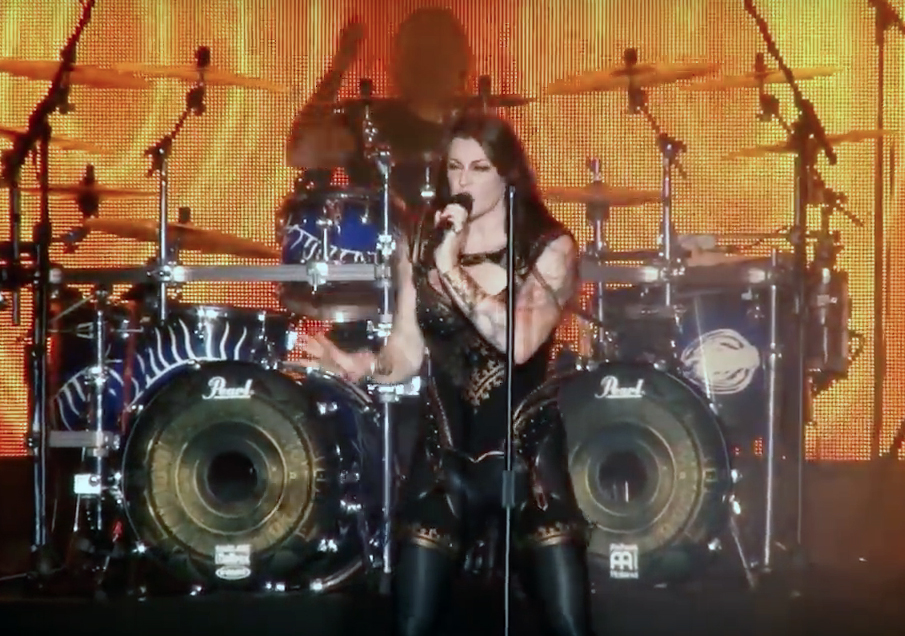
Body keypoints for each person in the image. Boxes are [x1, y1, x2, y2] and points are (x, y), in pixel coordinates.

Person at [300, 112, 594, 636]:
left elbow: (518, 343)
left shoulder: (548, 246)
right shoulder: (421, 241)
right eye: (455, 167)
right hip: (444, 460)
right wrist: (360, 366)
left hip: (526, 462)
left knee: (568, 622)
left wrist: (451, 268)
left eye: (479, 168)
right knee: (412, 621)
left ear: (507, 174)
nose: (463, 181)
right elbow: (406, 351)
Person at [285, 7, 474, 212]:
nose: (428, 65)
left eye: (437, 53)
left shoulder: (477, 132)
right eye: (419, 53)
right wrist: (339, 66)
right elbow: (299, 152)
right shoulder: (368, 123)